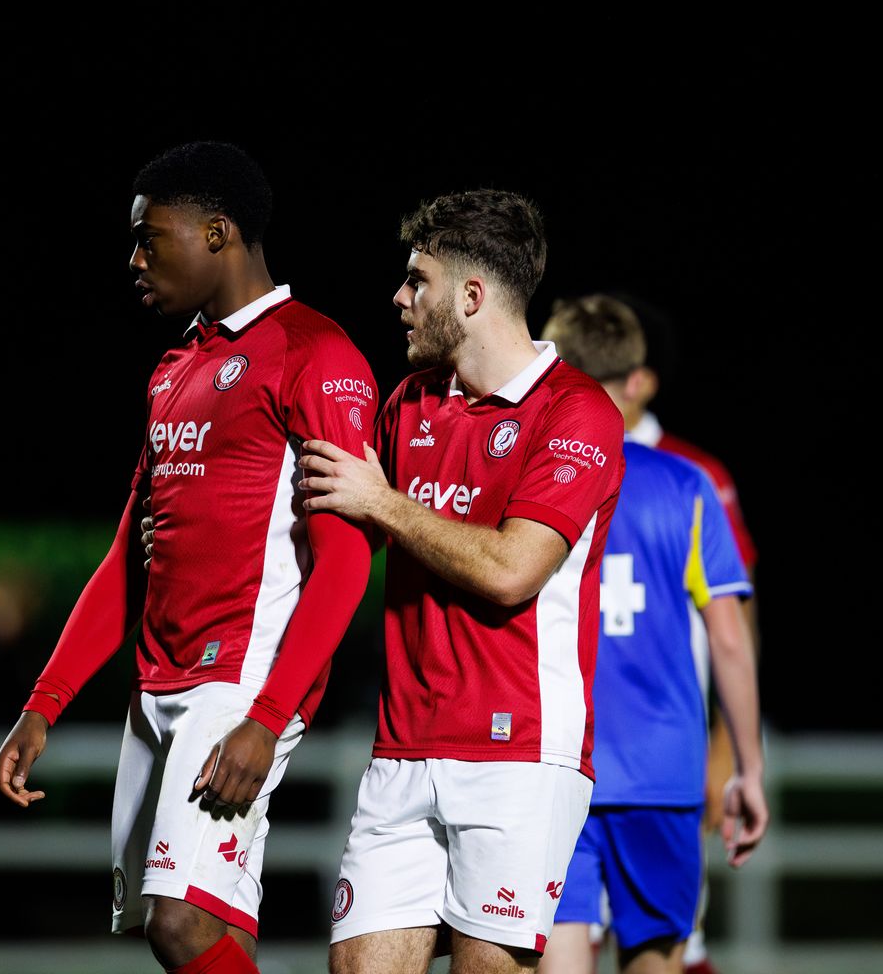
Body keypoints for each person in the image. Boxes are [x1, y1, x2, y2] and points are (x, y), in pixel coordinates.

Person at [0, 142, 376, 974]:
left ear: (216, 233)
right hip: (157, 684)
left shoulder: (316, 354)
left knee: (180, 924)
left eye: (148, 238)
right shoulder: (175, 367)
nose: (134, 260)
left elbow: (347, 562)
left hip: (239, 682)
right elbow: (128, 556)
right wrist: (45, 703)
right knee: (204, 928)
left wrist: (265, 719)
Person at [299, 190, 626, 974]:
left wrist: (384, 501)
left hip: (518, 756)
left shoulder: (577, 412)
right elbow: (342, 538)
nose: (399, 298)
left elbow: (513, 570)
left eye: (418, 280)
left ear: (472, 296)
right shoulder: (408, 403)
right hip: (400, 749)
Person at [537, 296, 767, 974]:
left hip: (554, 761)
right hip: (662, 773)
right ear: (632, 375)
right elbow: (732, 639)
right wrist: (748, 765)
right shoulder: (688, 484)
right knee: (660, 960)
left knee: (556, 956)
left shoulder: (531, 474)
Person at [611, 296, 759, 974]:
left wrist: (726, 746)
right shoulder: (544, 456)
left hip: (658, 757)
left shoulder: (694, 475)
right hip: (563, 749)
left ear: (641, 379)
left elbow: (734, 620)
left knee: (671, 944)